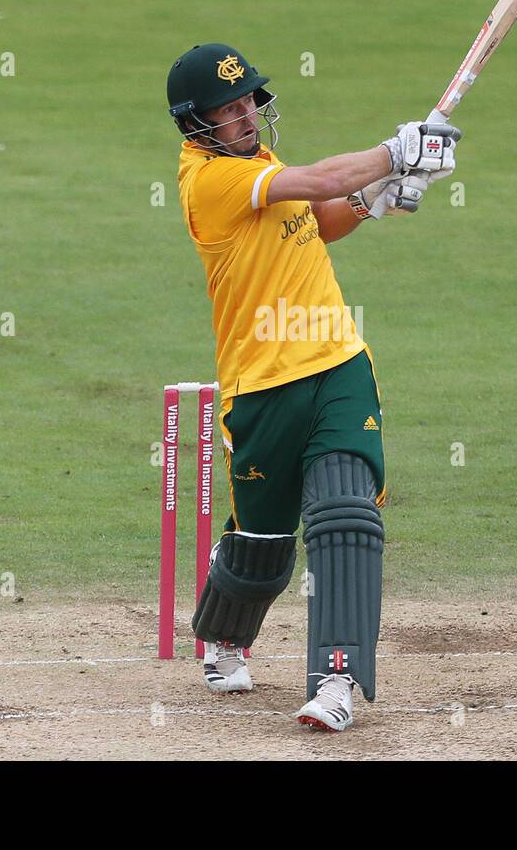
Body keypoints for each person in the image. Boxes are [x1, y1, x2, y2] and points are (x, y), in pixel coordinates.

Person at [167, 42, 460, 731]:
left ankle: (336, 683)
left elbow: (318, 219)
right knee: (264, 546)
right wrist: (395, 153)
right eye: (229, 109)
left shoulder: (257, 165)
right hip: (263, 387)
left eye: (249, 103)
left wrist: (373, 198)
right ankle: (225, 632)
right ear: (195, 125)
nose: (245, 115)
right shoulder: (208, 181)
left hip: (337, 365)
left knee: (345, 516)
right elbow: (316, 182)